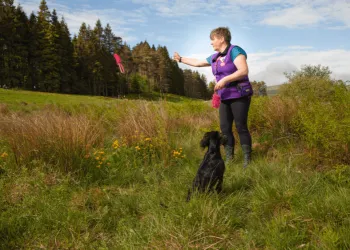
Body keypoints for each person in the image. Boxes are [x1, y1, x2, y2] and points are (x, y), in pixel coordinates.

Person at [173, 27, 253, 168]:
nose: (211, 43)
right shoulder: (215, 57)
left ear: (221, 38)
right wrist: (180, 59)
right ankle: (229, 158)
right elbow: (198, 63)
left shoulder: (235, 51)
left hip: (239, 94)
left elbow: (243, 71)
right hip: (225, 97)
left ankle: (247, 160)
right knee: (225, 128)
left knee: (241, 127)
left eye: (213, 39)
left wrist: (224, 80)